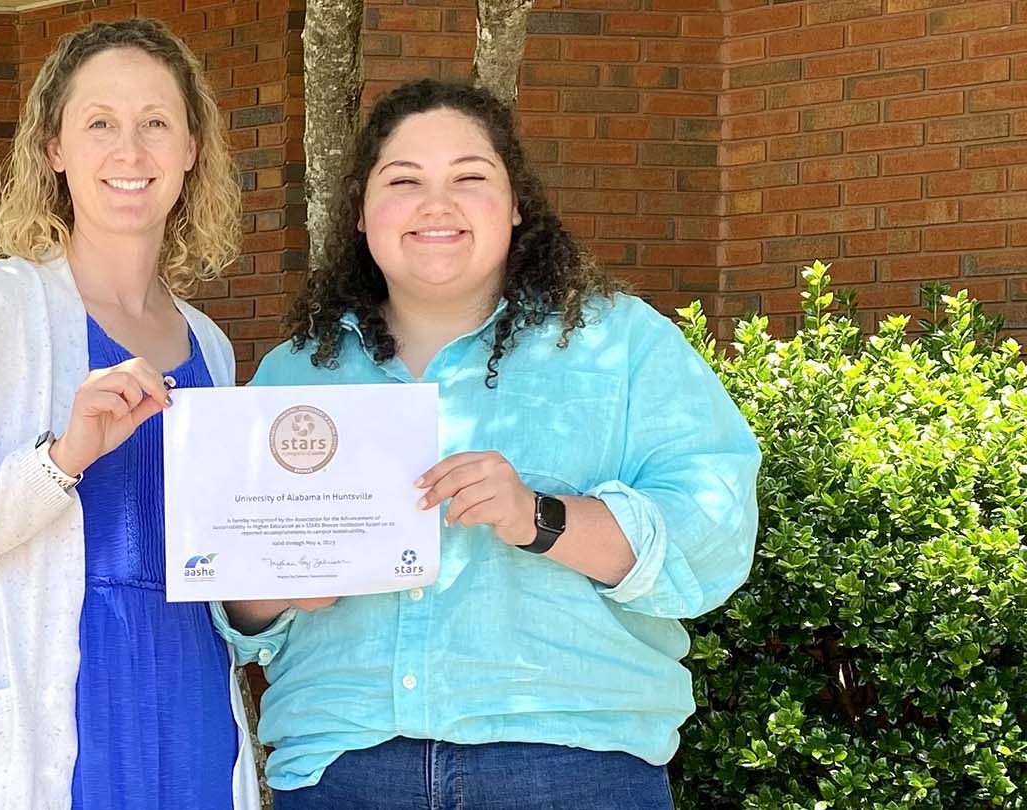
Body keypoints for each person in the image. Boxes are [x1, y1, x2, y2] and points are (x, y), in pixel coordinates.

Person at [214, 79, 761, 810]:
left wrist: (540, 517)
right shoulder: (293, 375)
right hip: (345, 767)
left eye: (469, 179)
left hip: (571, 767)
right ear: (362, 214)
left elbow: (714, 535)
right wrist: (278, 587)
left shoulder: (621, 344)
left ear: (515, 205)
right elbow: (238, 594)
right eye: (403, 181)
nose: (435, 205)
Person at [0, 18, 258, 810]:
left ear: (191, 148)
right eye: (100, 123)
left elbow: (219, 570)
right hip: (53, 732)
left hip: (191, 716)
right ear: (54, 147)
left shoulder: (210, 348)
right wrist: (59, 461)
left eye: (156, 123)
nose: (130, 150)